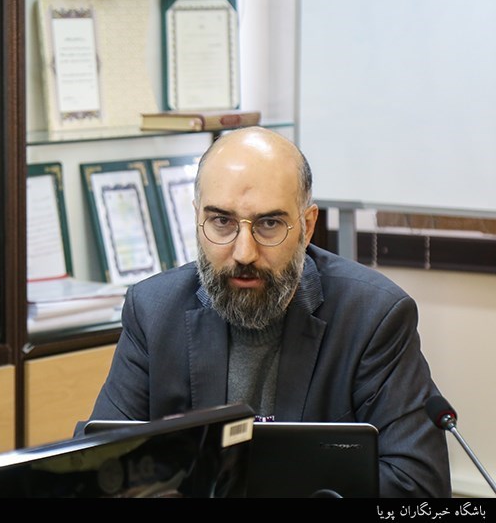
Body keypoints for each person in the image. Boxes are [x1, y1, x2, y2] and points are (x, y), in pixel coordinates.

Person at [75, 126, 452, 498]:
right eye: (221, 221)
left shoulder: (373, 316)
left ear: (307, 227)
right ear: (197, 218)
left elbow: (418, 486)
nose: (244, 253)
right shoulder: (153, 311)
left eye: (269, 224)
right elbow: (97, 467)